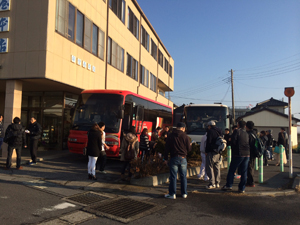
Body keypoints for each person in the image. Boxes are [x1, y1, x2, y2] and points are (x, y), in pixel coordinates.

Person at [164, 122, 191, 199]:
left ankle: (172, 194)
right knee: (183, 176)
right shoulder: (185, 136)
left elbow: (166, 148)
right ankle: (184, 193)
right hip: (183, 158)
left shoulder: (170, 136)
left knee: (173, 176)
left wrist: (165, 158)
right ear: (183, 128)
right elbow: (189, 149)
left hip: (174, 157)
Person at [222, 120, 250, 193]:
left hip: (238, 153)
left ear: (238, 125)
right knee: (244, 171)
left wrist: (230, 140)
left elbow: (233, 142)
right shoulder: (246, 133)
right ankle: (242, 188)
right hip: (247, 153)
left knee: (232, 170)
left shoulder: (237, 131)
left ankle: (229, 185)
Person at [205, 120, 223, 189]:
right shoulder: (219, 131)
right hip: (218, 152)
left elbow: (208, 142)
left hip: (211, 151)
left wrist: (206, 151)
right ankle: (217, 182)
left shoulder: (210, 132)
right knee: (217, 167)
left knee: (209, 167)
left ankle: (212, 183)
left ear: (209, 126)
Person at [246, 121, 256, 187]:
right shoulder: (254, 133)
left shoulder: (248, 134)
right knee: (251, 167)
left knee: (249, 167)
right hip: (254, 152)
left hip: (249, 152)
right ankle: (250, 181)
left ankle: (251, 182)